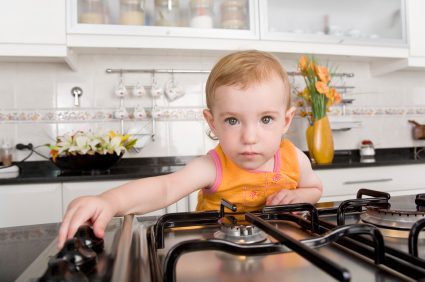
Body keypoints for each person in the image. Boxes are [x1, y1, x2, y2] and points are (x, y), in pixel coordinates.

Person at [57, 50, 322, 249]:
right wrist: (109, 201)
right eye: (232, 120)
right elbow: (165, 188)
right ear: (213, 123)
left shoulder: (294, 159)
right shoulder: (212, 166)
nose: (250, 137)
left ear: (285, 121)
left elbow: (315, 189)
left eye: (266, 119)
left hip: (278, 251)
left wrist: (298, 195)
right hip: (215, 254)